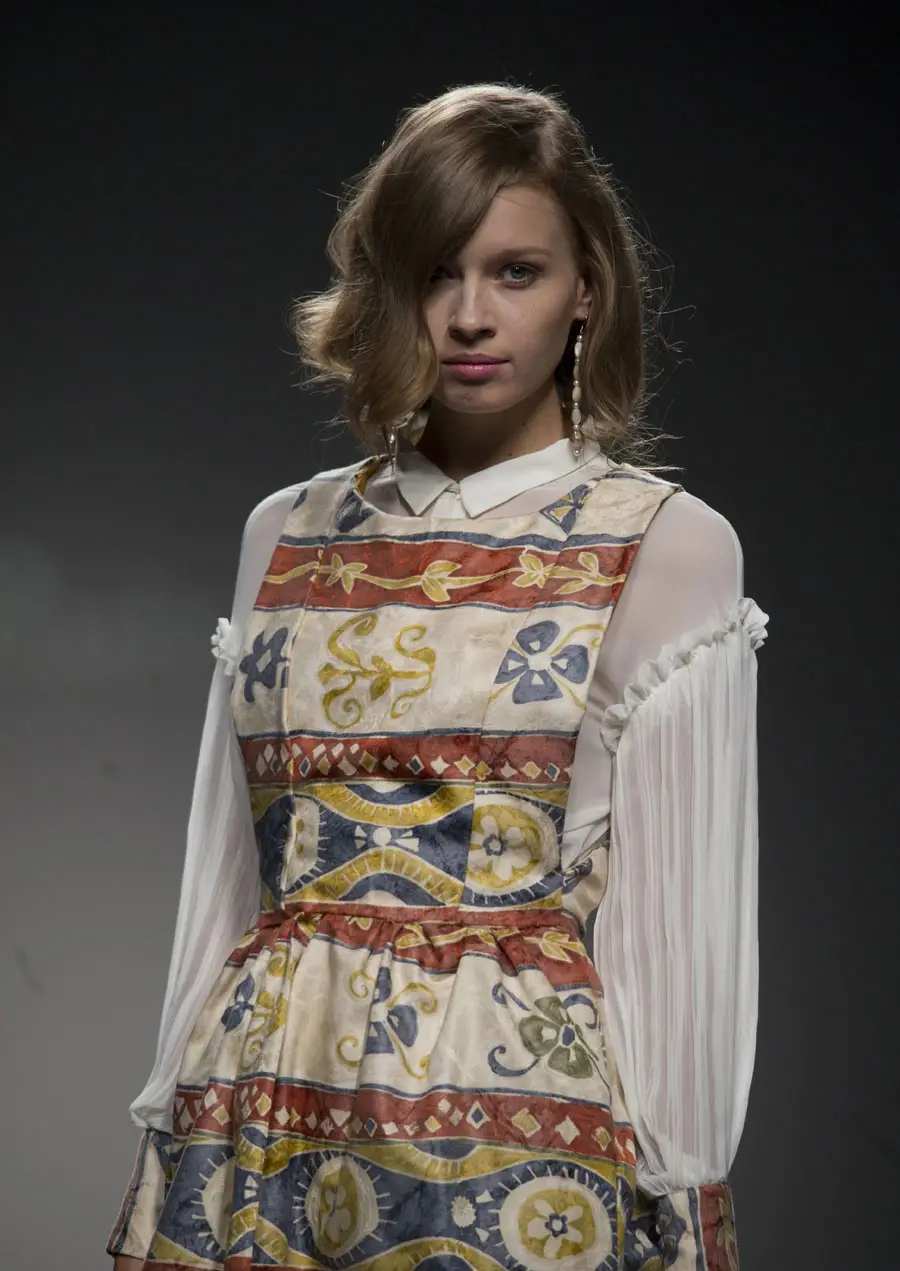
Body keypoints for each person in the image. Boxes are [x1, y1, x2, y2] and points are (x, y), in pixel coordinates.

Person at [107, 82, 767, 1270]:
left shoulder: (666, 547)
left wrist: (682, 1194)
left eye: (516, 272)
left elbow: (678, 935)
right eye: (434, 273)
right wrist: (176, 1118)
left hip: (513, 1139)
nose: (469, 316)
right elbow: (229, 883)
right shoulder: (286, 531)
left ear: (587, 291)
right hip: (266, 1105)